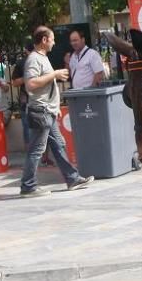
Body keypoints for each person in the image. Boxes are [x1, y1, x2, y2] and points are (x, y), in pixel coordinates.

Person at [21, 25, 93, 196]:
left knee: (59, 145)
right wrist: (54, 74)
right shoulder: (34, 59)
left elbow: (45, 85)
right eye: (52, 39)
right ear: (44, 40)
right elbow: (31, 83)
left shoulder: (42, 57)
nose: (54, 43)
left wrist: (55, 107)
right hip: (41, 111)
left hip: (48, 111)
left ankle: (72, 178)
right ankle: (28, 186)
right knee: (37, 149)